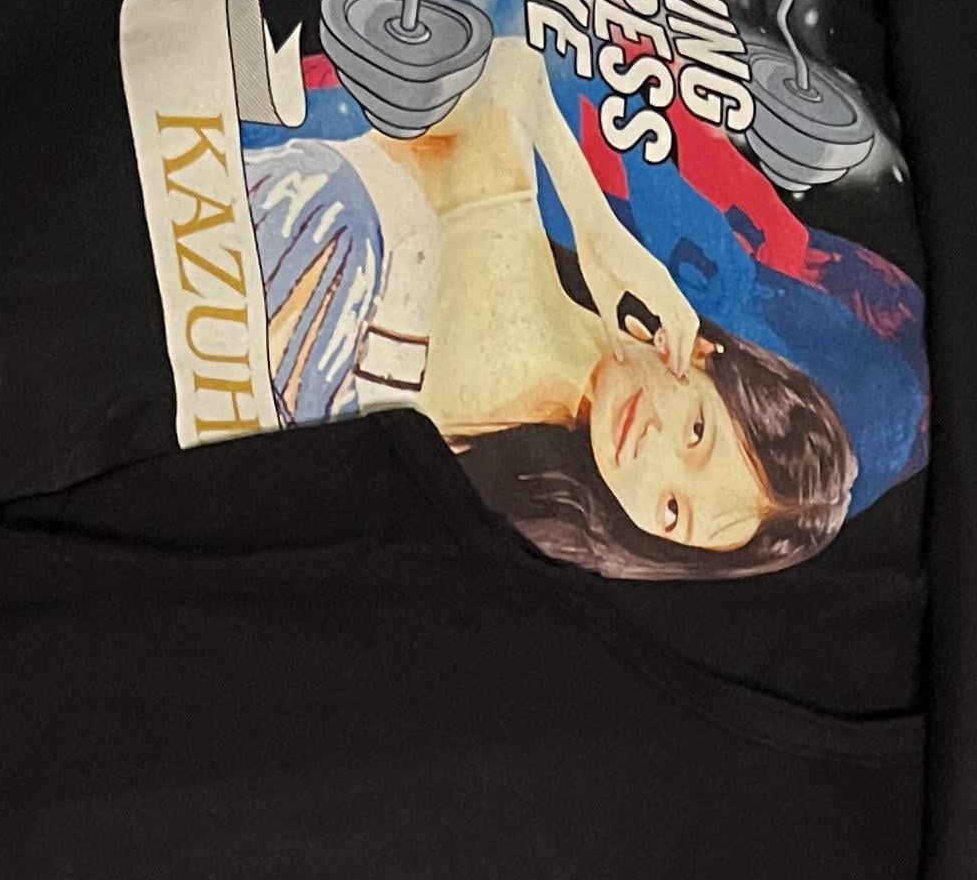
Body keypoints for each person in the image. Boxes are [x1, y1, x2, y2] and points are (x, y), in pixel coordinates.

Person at [244, 30, 856, 574]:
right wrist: (598, 229)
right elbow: (501, 63)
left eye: (671, 510)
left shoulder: (525, 506)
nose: (651, 453)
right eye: (696, 432)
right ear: (699, 352)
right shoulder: (503, 222)